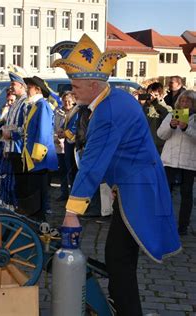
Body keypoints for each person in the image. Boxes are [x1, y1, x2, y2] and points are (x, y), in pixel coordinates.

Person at [52, 34, 181, 315]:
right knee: (120, 256)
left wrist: (72, 211)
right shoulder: (113, 101)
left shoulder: (109, 110)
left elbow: (94, 163)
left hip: (138, 187)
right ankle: (122, 305)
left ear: (94, 84)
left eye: (75, 86)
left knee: (118, 257)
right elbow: (117, 155)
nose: (72, 91)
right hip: (131, 185)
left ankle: (126, 309)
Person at [19, 75, 58, 221]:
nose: (27, 90)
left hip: (39, 157)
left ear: (37, 89)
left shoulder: (42, 105)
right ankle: (35, 216)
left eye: (29, 88)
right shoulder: (34, 105)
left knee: (39, 190)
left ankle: (40, 219)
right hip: (31, 156)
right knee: (34, 189)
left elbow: (43, 131)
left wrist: (37, 155)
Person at [157, 90, 195, 236]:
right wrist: (171, 126)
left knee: (186, 194)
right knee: (165, 193)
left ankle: (183, 226)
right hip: (169, 160)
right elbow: (161, 134)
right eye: (183, 101)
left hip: (189, 162)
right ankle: (163, 222)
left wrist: (186, 128)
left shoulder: (195, 118)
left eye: (188, 102)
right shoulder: (171, 114)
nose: (185, 104)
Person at [0, 70, 28, 208]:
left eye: (13, 84)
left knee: (18, 183)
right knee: (8, 180)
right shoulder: (15, 103)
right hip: (10, 148)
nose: (11, 87)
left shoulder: (26, 103)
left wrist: (11, 135)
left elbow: (27, 128)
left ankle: (19, 209)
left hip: (19, 149)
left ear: (22, 86)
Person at [140, 82, 172, 153]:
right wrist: (137, 103)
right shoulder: (144, 108)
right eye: (150, 95)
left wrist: (156, 103)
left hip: (160, 147)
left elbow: (167, 117)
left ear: (162, 95)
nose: (152, 97)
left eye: (156, 95)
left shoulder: (168, 109)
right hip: (144, 145)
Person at [54, 91, 75, 201]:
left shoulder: (75, 111)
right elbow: (54, 127)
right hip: (59, 145)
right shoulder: (58, 111)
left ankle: (72, 194)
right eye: (65, 101)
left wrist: (65, 135)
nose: (66, 103)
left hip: (70, 145)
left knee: (71, 171)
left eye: (69, 101)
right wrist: (56, 138)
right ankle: (64, 193)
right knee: (62, 171)